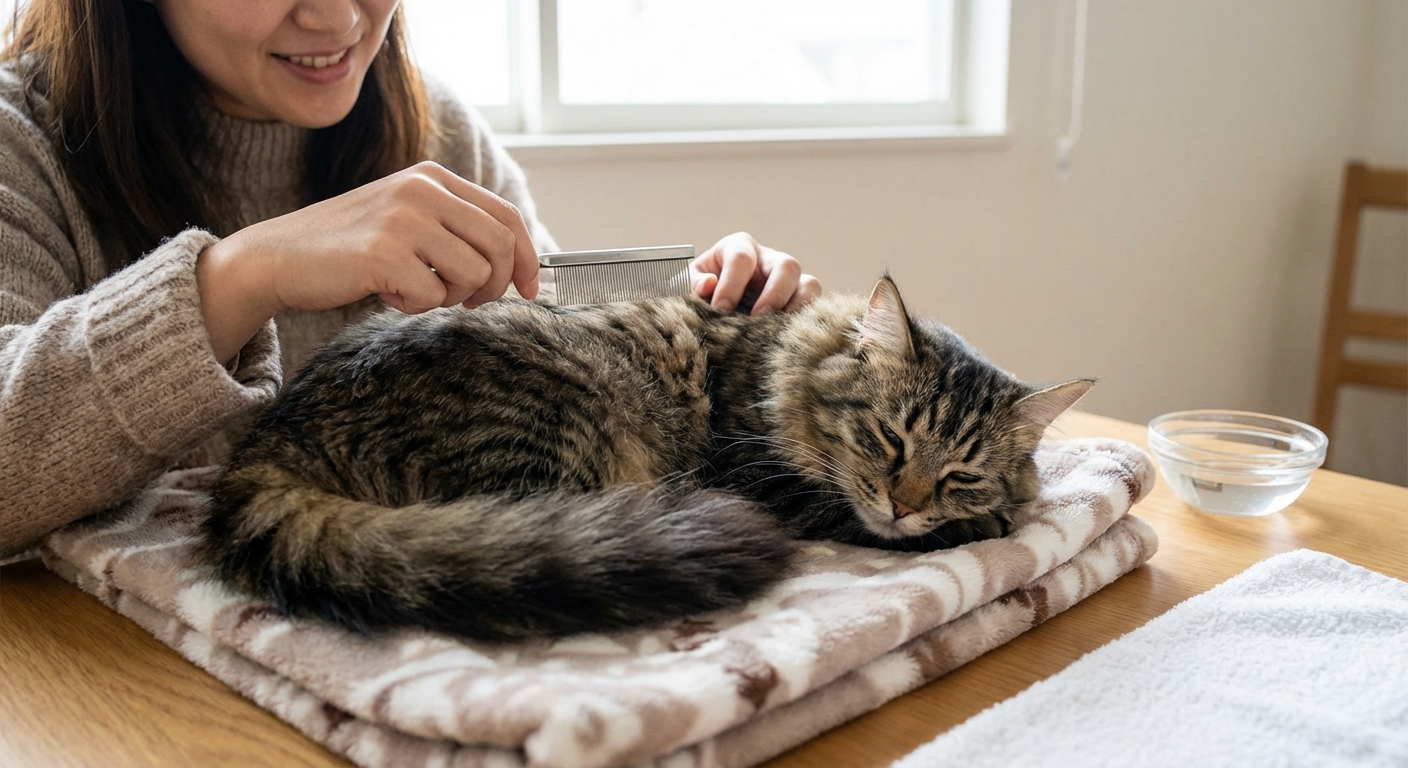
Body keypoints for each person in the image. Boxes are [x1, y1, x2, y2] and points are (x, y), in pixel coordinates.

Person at [0, 0, 822, 556]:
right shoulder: (20, 143)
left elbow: (566, 360)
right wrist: (242, 275)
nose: (340, 18)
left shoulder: (439, 131)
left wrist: (729, 346)